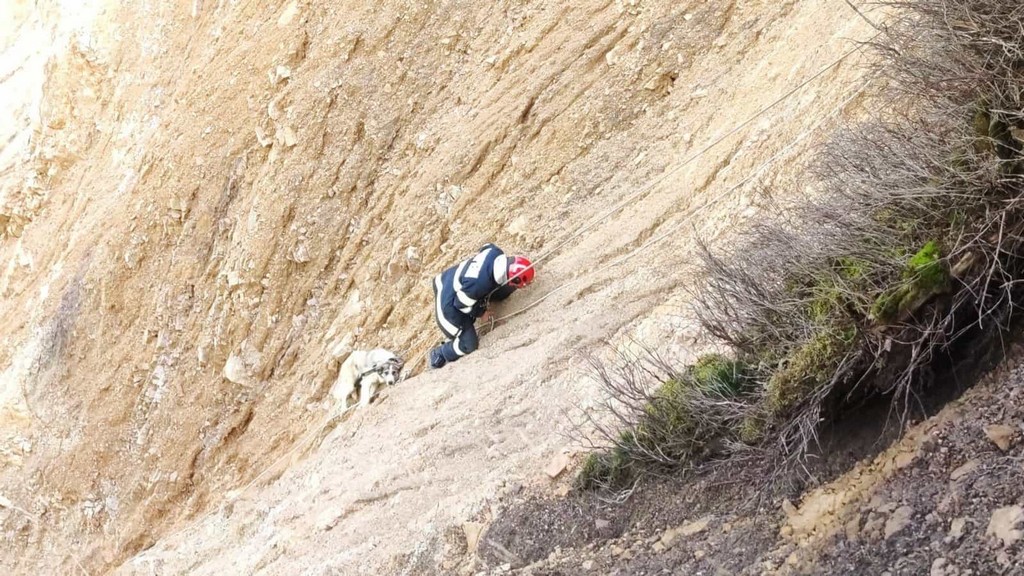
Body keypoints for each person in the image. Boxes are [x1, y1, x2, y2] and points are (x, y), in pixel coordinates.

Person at [428, 243, 535, 369]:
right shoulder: (479, 284)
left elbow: (486, 246)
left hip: (452, 280)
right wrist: (481, 313)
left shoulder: (495, 252)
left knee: (504, 290)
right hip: (448, 307)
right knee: (469, 344)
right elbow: (460, 304)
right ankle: (440, 353)